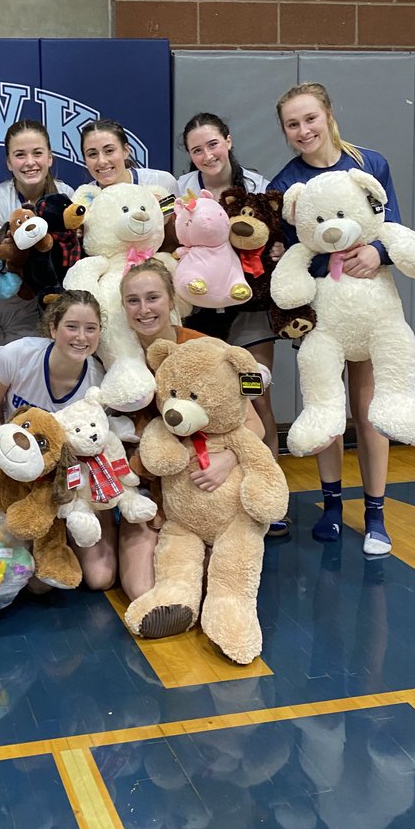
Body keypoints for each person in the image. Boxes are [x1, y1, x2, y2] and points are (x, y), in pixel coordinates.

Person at [81, 258, 266, 602]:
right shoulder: (113, 355)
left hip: (200, 484)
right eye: (133, 301)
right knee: (134, 587)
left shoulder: (206, 347)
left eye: (153, 298)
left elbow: (254, 423)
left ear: (172, 301)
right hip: (144, 485)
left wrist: (227, 458)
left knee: (211, 582)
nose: (144, 309)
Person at [268, 82, 401, 557]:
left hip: (368, 302)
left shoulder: (371, 165)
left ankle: (375, 513)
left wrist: (378, 249)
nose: (303, 130)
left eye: (309, 119)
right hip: (320, 310)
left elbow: (393, 226)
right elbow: (288, 250)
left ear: (327, 113)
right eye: (292, 124)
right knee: (326, 409)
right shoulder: (285, 184)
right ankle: (330, 506)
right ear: (284, 131)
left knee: (369, 411)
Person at [178, 112, 281, 463]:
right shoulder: (183, 188)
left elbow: (273, 236)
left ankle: (271, 484)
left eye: (213, 144)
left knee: (256, 392)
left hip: (249, 305)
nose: (207, 156)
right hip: (202, 310)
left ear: (228, 140)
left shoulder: (256, 184)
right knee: (207, 397)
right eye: (197, 150)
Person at [0, 120, 78, 392]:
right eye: (20, 155)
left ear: (50, 157)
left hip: (31, 310)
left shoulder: (67, 198)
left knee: (27, 390)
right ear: (8, 162)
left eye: (37, 153)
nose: (30, 162)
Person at [0, 289, 104, 438]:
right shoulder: (17, 354)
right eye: (71, 326)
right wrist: (1, 440)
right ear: (53, 329)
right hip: (15, 450)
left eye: (91, 328)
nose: (81, 337)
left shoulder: (100, 384)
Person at [79, 118, 178, 196]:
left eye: (109, 151)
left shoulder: (161, 182)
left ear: (126, 151)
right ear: (84, 159)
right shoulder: (83, 199)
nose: (102, 161)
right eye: (92, 154)